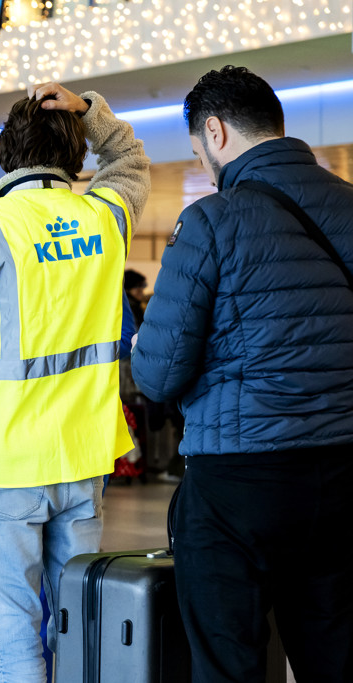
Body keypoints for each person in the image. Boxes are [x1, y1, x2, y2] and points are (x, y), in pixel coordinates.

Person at [0, 82, 150, 682]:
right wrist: (90, 113)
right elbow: (131, 162)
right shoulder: (106, 216)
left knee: (16, 639)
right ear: (76, 157)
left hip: (7, 463)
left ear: (6, 155)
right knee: (77, 623)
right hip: (84, 458)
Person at [131, 66, 353, 683]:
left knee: (227, 662)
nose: (202, 162)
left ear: (214, 131)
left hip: (238, 477)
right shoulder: (347, 205)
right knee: (335, 653)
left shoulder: (211, 221)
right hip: (341, 470)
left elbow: (158, 372)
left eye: (199, 150)